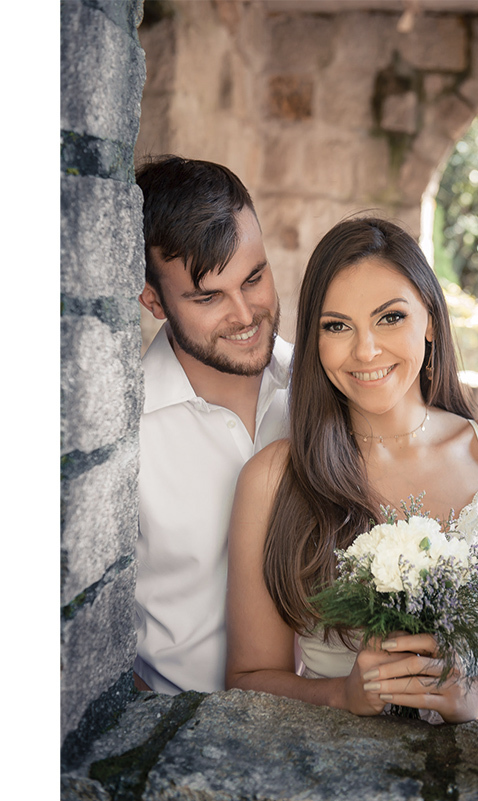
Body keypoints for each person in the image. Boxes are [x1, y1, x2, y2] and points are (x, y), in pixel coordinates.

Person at [225, 217, 478, 721]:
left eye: (390, 318)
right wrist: (342, 695)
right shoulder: (271, 479)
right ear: (314, 340)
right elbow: (247, 679)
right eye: (337, 326)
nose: (365, 350)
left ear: (429, 320)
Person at [135, 155, 291, 694]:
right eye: (208, 297)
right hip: (176, 739)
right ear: (153, 300)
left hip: (334, 733)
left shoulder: (327, 390)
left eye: (254, 278)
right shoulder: (122, 440)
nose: (245, 314)